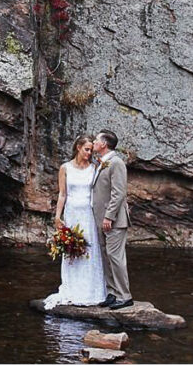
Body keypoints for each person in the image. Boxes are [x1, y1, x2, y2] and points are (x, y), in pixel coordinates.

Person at [43, 135, 107, 309]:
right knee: (71, 250)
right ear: (78, 147)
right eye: (86, 149)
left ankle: (92, 291)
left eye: (91, 150)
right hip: (72, 213)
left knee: (89, 250)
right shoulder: (65, 168)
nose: (89, 153)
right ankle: (73, 289)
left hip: (88, 214)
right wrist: (57, 216)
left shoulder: (94, 168)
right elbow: (62, 194)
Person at [92, 130, 132, 310]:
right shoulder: (100, 163)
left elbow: (119, 193)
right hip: (101, 219)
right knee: (106, 256)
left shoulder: (116, 163)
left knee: (115, 257)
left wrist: (109, 216)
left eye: (96, 140)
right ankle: (112, 293)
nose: (93, 142)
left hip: (114, 220)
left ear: (104, 144)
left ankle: (125, 296)